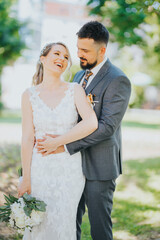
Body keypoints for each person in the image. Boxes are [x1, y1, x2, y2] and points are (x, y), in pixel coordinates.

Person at [37, 21, 131, 240]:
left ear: (103, 50)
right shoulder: (79, 76)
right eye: (78, 49)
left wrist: (65, 145)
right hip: (71, 166)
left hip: (100, 166)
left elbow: (107, 127)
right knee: (70, 222)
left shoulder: (118, 80)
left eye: (85, 51)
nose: (79, 55)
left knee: (100, 228)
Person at [18, 42, 98, 240]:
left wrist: (58, 142)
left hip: (69, 170)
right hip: (39, 169)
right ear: (43, 58)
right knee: (38, 223)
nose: (61, 59)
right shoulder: (29, 95)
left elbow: (91, 122)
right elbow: (28, 138)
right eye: (56, 53)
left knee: (63, 223)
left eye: (65, 57)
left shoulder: (75, 90)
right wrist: (26, 178)